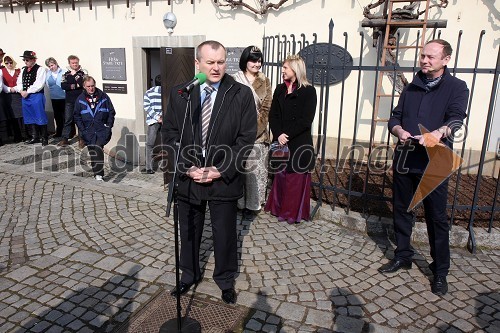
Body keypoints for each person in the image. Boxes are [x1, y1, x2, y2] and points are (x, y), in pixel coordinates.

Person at [163, 40, 256, 305]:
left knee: (225, 234)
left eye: (221, 62)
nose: (216, 68)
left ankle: (225, 280)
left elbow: (245, 139)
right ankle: (188, 275)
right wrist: (187, 167)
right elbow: (169, 134)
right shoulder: (181, 92)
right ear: (197, 64)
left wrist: (220, 169)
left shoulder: (240, 94)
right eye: (210, 62)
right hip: (189, 178)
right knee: (189, 231)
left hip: (223, 179)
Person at [378, 39, 469, 297]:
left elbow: (456, 118)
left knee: (436, 218)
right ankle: (403, 255)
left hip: (435, 160)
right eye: (423, 56)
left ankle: (440, 271)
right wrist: (399, 130)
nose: (425, 61)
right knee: (401, 209)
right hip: (406, 156)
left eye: (431, 57)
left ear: (445, 60)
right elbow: (395, 117)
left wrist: (439, 133)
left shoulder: (457, 87)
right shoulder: (412, 86)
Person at [264, 54, 317, 224]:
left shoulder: (309, 91)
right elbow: (273, 115)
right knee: (280, 176)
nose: (282, 70)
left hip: (298, 142)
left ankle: (292, 213)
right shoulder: (280, 89)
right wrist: (278, 133)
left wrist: (287, 135)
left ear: (295, 69)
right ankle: (277, 208)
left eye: (285, 67)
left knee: (295, 179)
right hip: (280, 141)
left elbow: (306, 120)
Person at [232, 46, 272, 219]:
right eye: (253, 60)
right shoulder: (235, 79)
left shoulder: (265, 81)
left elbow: (266, 108)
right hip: (237, 133)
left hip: (257, 135)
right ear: (245, 61)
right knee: (239, 170)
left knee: (255, 172)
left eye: (259, 60)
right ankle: (239, 202)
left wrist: (253, 132)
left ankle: (253, 205)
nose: (257, 64)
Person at [74, 76, 115, 181]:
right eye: (88, 86)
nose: (91, 88)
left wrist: (108, 126)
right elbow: (77, 116)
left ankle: (99, 175)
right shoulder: (80, 99)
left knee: (98, 149)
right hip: (88, 130)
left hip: (101, 129)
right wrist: (83, 129)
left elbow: (111, 111)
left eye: (92, 86)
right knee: (93, 152)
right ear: (84, 86)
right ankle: (96, 173)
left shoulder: (103, 97)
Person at [15, 50, 48, 146]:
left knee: (40, 115)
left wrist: (28, 91)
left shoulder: (40, 69)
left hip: (36, 95)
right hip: (25, 96)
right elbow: (19, 82)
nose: (25, 62)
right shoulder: (23, 69)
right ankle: (35, 136)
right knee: (29, 116)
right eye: (24, 60)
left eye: (27, 60)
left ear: (33, 60)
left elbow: (39, 84)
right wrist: (21, 90)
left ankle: (44, 137)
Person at [59, 55, 86, 147]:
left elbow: (83, 83)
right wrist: (75, 86)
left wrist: (75, 76)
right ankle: (65, 139)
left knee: (80, 120)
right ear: (69, 63)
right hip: (69, 100)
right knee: (68, 120)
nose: (75, 64)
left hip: (81, 100)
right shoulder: (66, 74)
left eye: (76, 63)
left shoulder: (83, 73)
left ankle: (81, 139)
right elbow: (63, 86)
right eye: (73, 63)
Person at [141, 74, 162, 174]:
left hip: (153, 121)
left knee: (150, 145)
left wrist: (157, 117)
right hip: (165, 121)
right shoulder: (168, 92)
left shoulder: (149, 92)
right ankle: (167, 166)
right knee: (167, 144)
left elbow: (147, 107)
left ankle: (149, 168)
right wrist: (162, 117)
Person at [2, 55, 24, 142]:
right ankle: (16, 135)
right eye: (7, 63)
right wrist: (8, 89)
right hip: (8, 96)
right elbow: (1, 83)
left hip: (18, 95)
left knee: (21, 115)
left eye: (11, 62)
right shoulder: (2, 71)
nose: (9, 64)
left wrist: (15, 88)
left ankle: (24, 134)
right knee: (13, 116)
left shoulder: (18, 71)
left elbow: (21, 82)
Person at [45, 57, 66, 138]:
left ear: (56, 64)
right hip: (54, 97)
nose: (51, 67)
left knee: (65, 116)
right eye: (49, 66)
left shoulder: (63, 72)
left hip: (64, 97)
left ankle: (67, 132)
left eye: (52, 65)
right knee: (57, 116)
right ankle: (59, 131)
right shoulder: (48, 74)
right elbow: (47, 84)